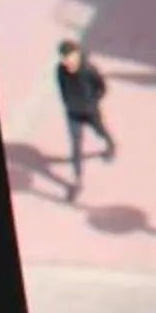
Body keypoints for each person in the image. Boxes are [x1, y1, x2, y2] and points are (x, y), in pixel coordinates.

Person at [55, 39, 114, 196]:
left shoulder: (89, 69)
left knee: (100, 131)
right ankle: (77, 180)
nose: (67, 61)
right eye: (64, 58)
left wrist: (93, 102)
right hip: (73, 113)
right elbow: (61, 87)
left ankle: (111, 144)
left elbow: (102, 87)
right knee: (76, 146)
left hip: (90, 113)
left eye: (70, 57)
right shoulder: (60, 70)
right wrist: (67, 103)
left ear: (77, 54)